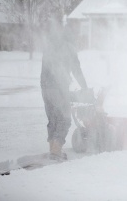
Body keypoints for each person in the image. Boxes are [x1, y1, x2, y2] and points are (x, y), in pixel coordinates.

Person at [40, 19, 87, 161]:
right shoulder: (69, 47)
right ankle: (56, 150)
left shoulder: (51, 45)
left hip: (45, 86)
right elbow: (76, 70)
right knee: (64, 119)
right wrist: (84, 87)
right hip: (58, 87)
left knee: (53, 117)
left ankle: (52, 147)